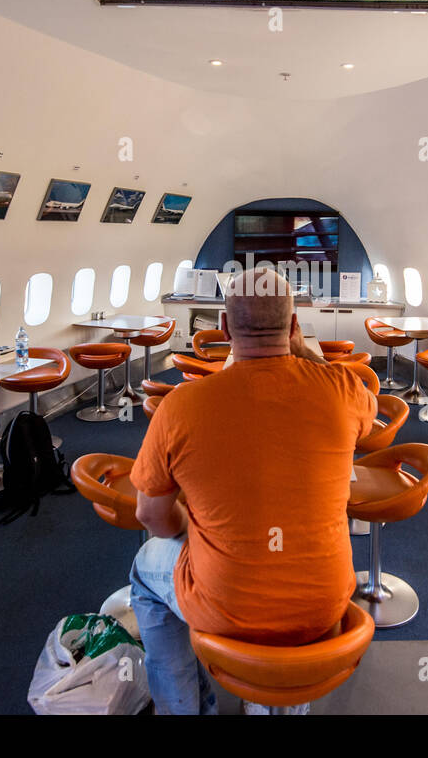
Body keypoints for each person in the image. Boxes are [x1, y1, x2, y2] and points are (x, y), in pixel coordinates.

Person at [128, 267, 376, 714]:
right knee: (292, 635)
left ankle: (186, 708)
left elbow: (151, 517)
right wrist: (304, 352)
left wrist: (190, 527)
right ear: (295, 325)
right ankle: (273, 700)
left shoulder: (181, 406)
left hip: (222, 608)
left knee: (145, 572)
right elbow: (369, 406)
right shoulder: (341, 390)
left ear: (223, 327)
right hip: (324, 607)